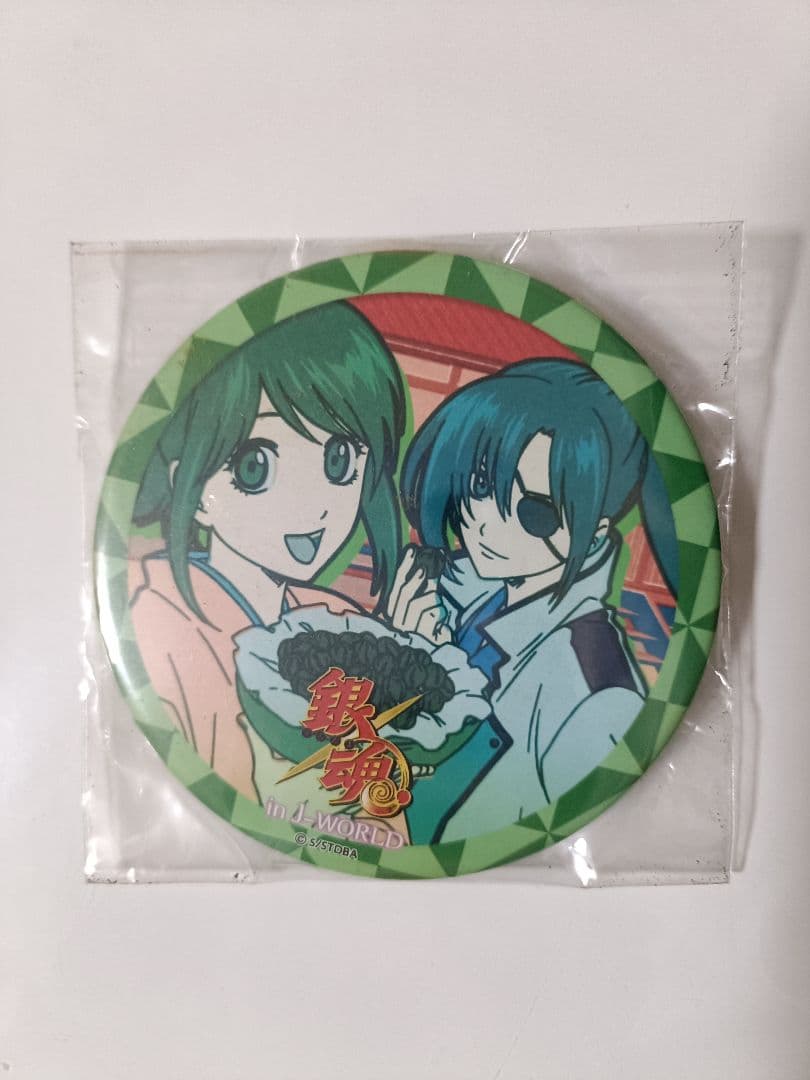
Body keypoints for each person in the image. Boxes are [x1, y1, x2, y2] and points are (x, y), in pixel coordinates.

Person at [130, 301, 408, 801]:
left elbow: (385, 791)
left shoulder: (337, 623)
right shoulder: (157, 626)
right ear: (194, 490)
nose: (312, 505)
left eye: (339, 461)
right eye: (254, 468)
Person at [390, 358, 678, 838]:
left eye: (533, 511)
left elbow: (479, 828)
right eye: (481, 486)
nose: (485, 523)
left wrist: (417, 670)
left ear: (596, 531)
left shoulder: (596, 693)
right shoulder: (471, 599)